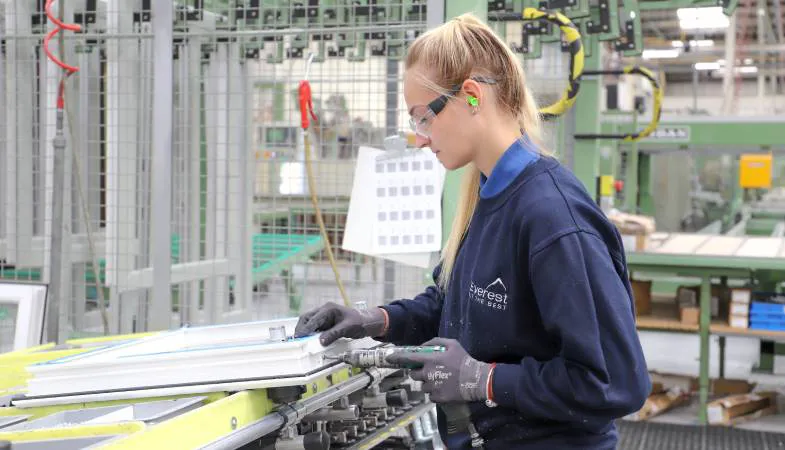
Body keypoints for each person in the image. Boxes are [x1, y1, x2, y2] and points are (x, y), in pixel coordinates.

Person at [294, 13, 650, 450]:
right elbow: (455, 306)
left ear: (472, 97)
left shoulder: (553, 219)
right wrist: (374, 321)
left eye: (423, 118)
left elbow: (614, 380)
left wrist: (484, 380)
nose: (420, 138)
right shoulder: (486, 197)